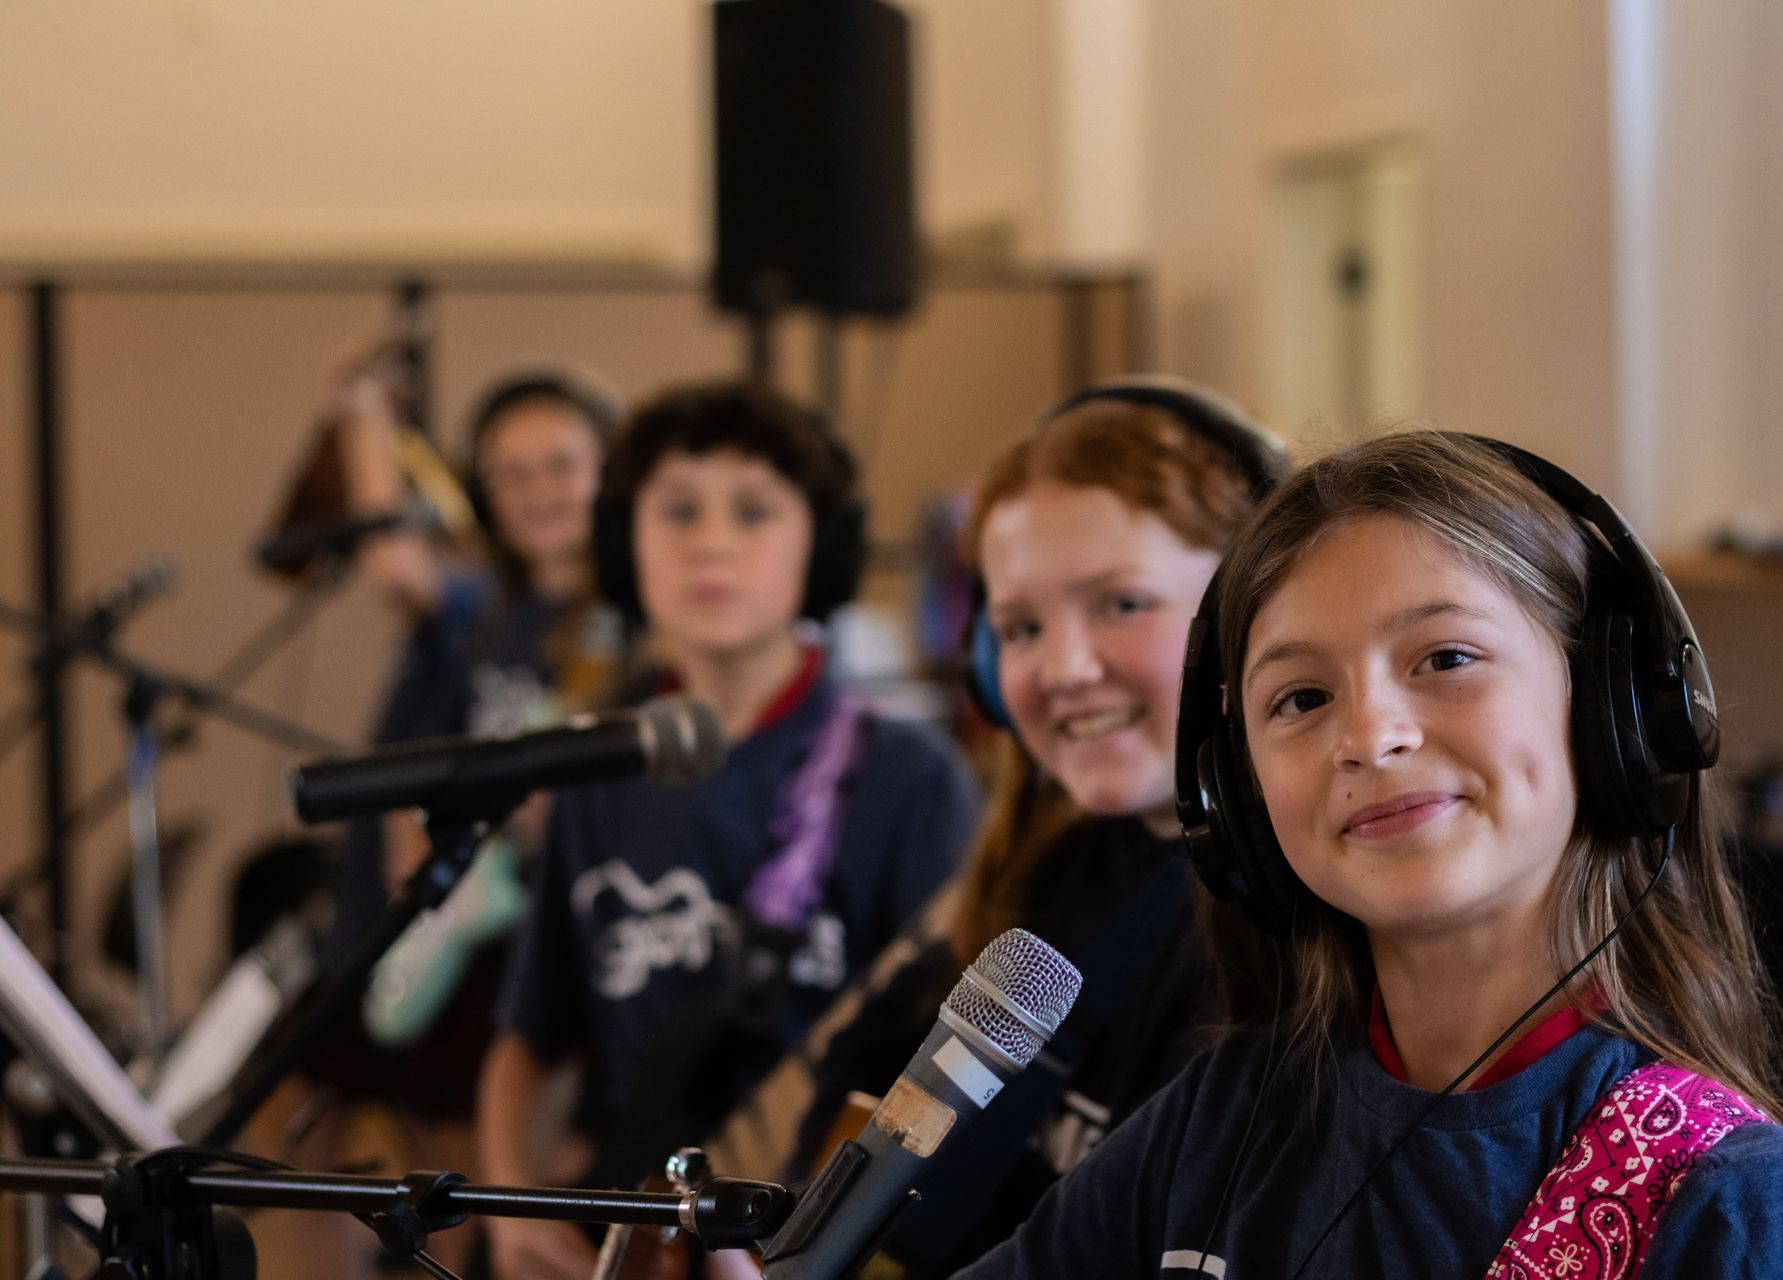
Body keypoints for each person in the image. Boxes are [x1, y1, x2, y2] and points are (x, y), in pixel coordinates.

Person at [955, 430, 1783, 1279]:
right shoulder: (1216, 1122)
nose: (1369, 736)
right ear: (1235, 797)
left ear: (1614, 712)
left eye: (1446, 658)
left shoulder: (1720, 1199)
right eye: (1301, 698)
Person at [730, 381, 1292, 1278]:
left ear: (1257, 613)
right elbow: (847, 1103)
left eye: (1121, 604)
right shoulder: (1040, 878)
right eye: (1021, 627)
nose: (1065, 668)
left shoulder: (1281, 934)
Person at [476, 379, 980, 1280]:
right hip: (645, 1242)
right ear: (624, 545)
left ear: (819, 546)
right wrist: (509, 1206)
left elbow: (953, 1081)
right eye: (676, 512)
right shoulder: (598, 772)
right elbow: (537, 1035)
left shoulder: (908, 779)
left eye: (753, 512)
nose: (710, 542)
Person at [298, 362, 624, 1276]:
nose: (534, 493)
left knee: (522, 1182)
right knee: (390, 1153)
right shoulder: (489, 606)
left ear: (610, 467)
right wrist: (363, 422)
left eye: (560, 464)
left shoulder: (635, 619)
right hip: (455, 934)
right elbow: (397, 565)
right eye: (509, 473)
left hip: (550, 949)